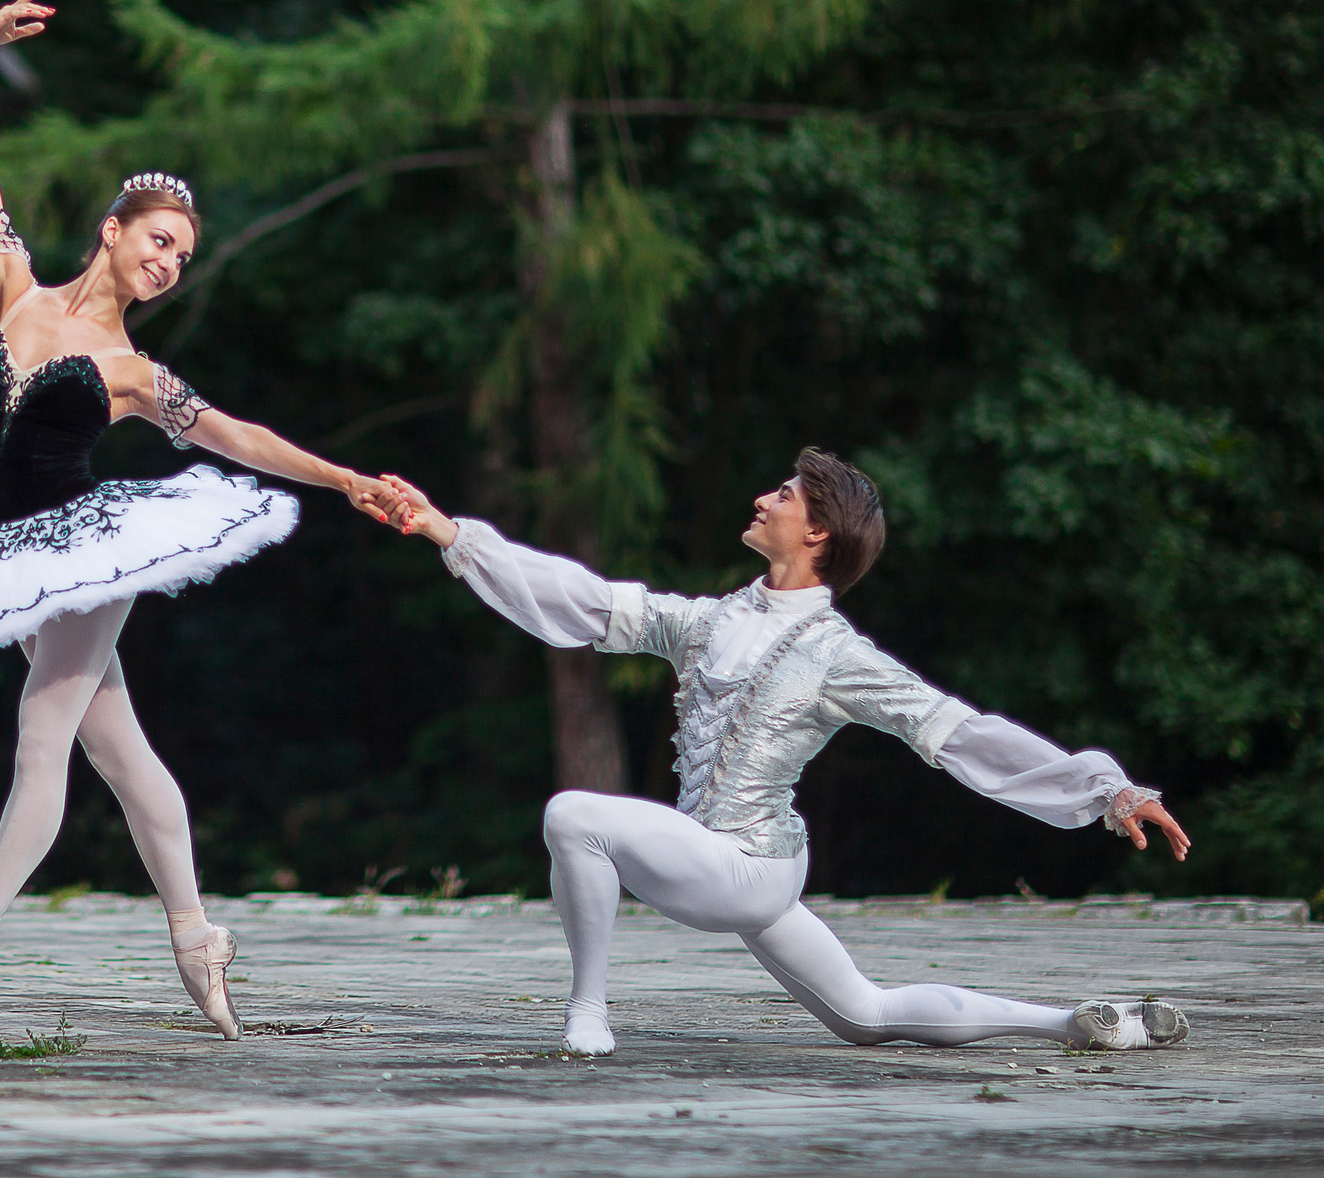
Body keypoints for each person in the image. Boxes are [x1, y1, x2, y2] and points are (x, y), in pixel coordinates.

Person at [0, 0, 391, 1047]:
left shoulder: (130, 370)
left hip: (86, 552)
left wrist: (345, 479)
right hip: (2, 553)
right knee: (122, 758)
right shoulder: (11, 290)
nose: (167, 263)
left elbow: (238, 436)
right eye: (158, 240)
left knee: (43, 744)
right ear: (111, 231)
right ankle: (196, 937)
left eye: (180, 256)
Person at [367, 448, 1195, 1056]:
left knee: (573, 814)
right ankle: (1084, 1022)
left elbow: (960, 732)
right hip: (719, 865)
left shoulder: (838, 654)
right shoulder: (706, 621)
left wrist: (1107, 791)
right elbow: (579, 603)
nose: (764, 499)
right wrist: (449, 533)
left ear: (820, 533)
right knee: (865, 1017)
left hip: (750, 867)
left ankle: (588, 1013)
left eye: (785, 495)